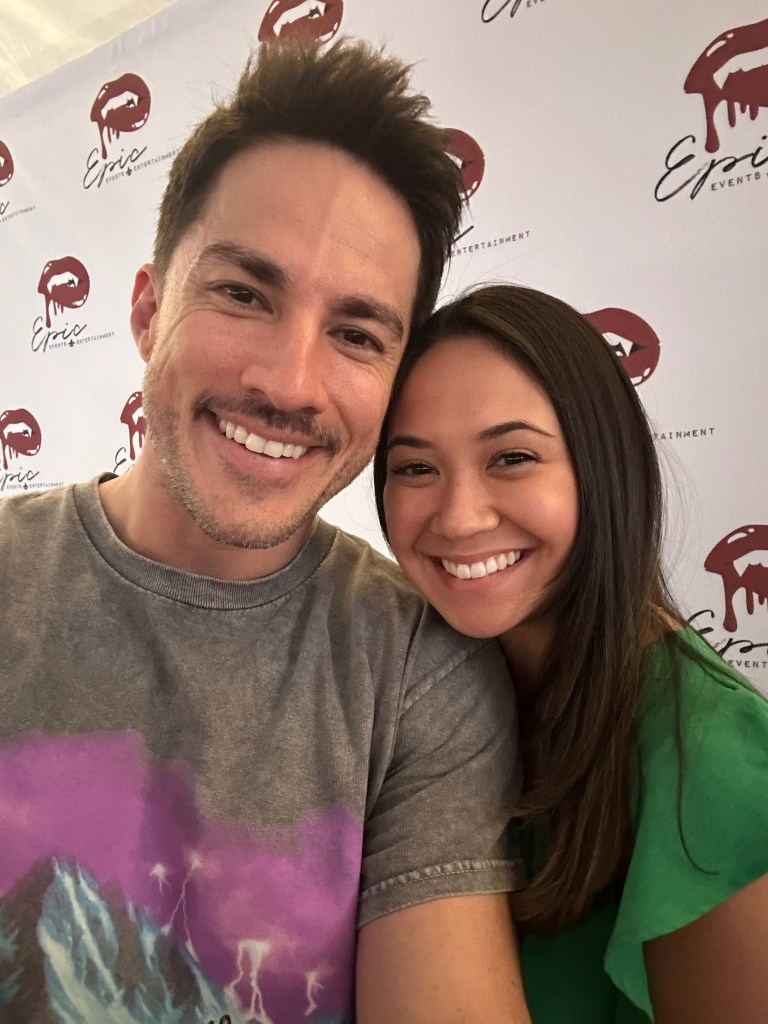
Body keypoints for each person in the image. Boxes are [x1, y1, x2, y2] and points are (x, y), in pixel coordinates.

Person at [0, 43, 532, 1024]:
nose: (290, 383)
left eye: (356, 334)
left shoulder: (420, 673)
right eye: (244, 294)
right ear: (148, 309)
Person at [374, 283, 768, 1024]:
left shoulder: (712, 759)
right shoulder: (429, 691)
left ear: (603, 465)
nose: (459, 518)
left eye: (512, 457)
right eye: (416, 468)